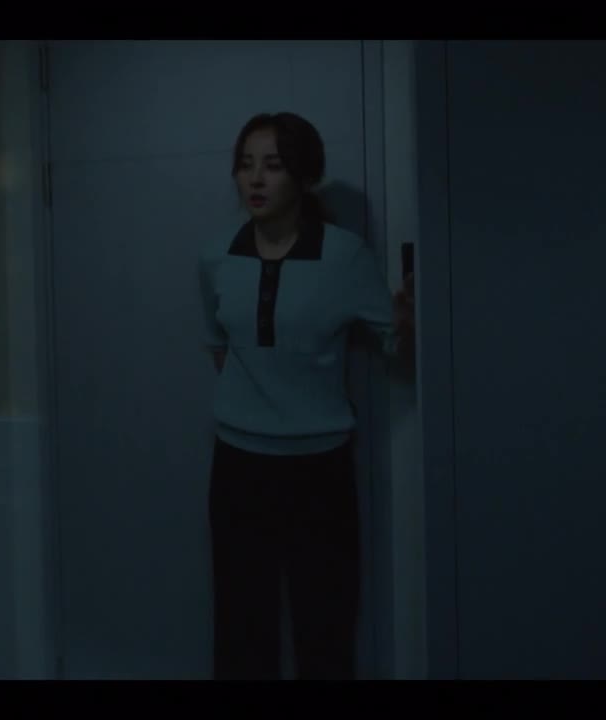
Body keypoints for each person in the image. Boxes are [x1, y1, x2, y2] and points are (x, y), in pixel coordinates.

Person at [198, 111, 414, 681]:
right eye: (245, 165)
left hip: (319, 469)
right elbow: (221, 348)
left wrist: (408, 321)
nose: (255, 179)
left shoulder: (344, 255)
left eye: (272, 165)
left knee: (325, 626)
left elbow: (395, 344)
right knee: (241, 627)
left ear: (304, 175)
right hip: (238, 466)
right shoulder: (216, 254)